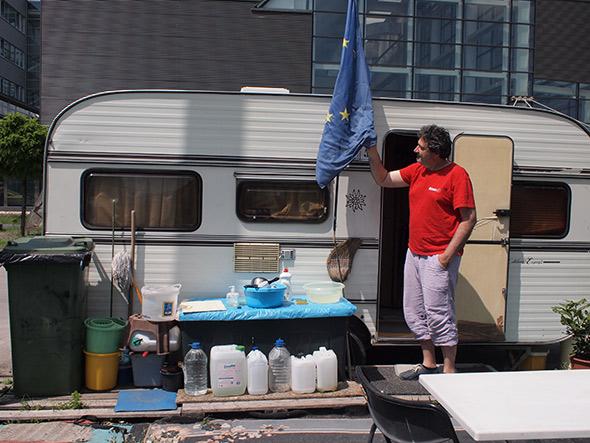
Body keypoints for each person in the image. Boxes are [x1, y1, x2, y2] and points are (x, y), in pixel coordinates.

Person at [366, 124, 476, 380]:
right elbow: (383, 179)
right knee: (414, 311)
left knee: (439, 314)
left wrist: (447, 256)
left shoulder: (457, 175)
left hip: (438, 257)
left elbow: (469, 219)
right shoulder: (418, 170)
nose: (415, 150)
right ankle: (428, 363)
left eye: (421, 147)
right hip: (414, 254)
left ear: (436, 152)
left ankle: (448, 371)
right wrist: (372, 152)